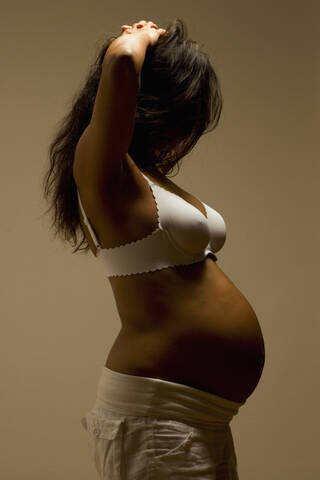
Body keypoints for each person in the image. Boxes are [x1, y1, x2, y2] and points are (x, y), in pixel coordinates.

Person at [43, 17, 265, 479]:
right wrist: (136, 37)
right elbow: (124, 61)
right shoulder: (101, 168)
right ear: (154, 103)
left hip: (198, 417)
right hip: (158, 417)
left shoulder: (146, 177)